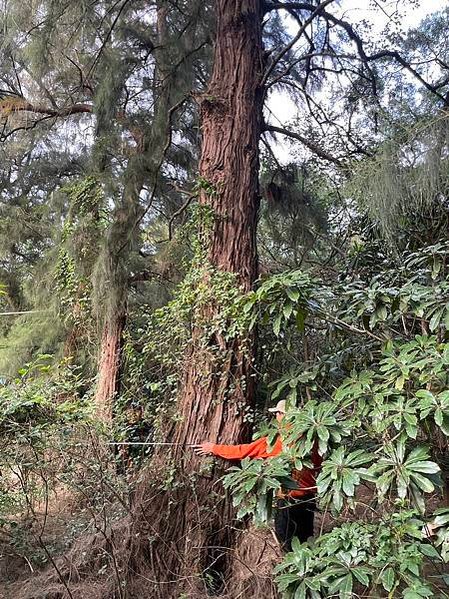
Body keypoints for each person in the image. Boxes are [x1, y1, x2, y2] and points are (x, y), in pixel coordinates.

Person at [194, 399, 322, 552]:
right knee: (306, 537)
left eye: (277, 414)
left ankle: (294, 569)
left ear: (283, 415)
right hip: (309, 497)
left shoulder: (276, 440)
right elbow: (317, 464)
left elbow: (242, 451)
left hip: (289, 499)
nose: (276, 418)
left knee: (287, 539)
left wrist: (213, 448)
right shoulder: (311, 439)